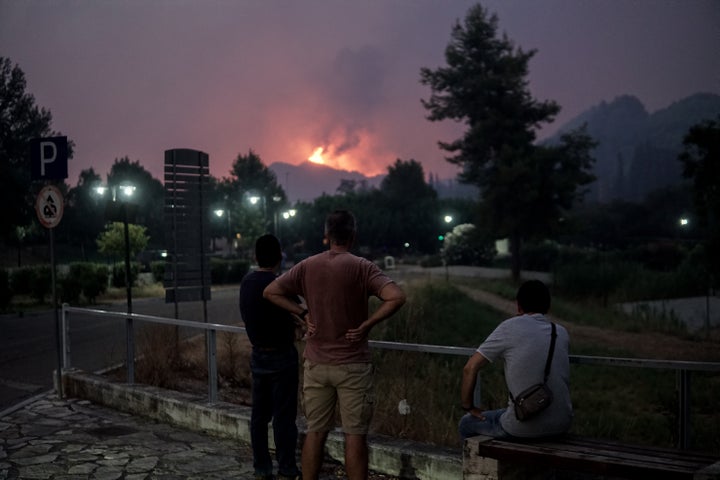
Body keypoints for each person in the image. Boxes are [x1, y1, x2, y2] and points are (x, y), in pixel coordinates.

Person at [263, 210, 406, 480]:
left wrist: (303, 314)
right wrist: (368, 324)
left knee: (315, 433)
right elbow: (396, 296)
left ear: (326, 236)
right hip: (353, 365)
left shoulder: (307, 265)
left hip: (316, 363)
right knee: (355, 437)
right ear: (353, 236)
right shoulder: (362, 267)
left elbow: (270, 292)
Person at [459, 279, 572, 440]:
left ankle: (476, 465)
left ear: (518, 306)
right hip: (562, 424)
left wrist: (468, 406)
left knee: (466, 424)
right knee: (504, 414)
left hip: (523, 426)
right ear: (548, 307)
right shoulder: (561, 332)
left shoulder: (509, 327)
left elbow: (470, 368)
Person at [239, 234, 303, 480]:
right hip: (282, 356)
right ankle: (286, 467)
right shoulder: (281, 285)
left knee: (259, 417)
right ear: (279, 257)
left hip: (258, 355)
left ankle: (262, 467)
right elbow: (299, 315)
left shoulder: (246, 283)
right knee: (284, 417)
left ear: (256, 256)